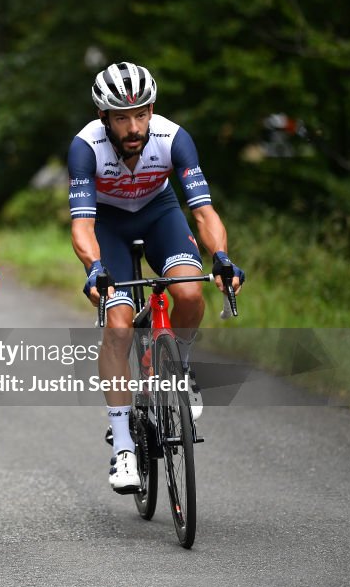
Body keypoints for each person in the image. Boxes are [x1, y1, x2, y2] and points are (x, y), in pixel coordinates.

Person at [68, 61, 245, 493]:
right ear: (103, 117)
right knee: (118, 326)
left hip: (158, 214)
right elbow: (82, 226)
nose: (134, 126)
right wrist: (95, 269)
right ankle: (124, 446)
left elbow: (203, 211)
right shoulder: (85, 148)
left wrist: (221, 257)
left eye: (142, 114)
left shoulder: (173, 138)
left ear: (152, 111)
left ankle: (180, 367)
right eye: (122, 117)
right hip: (107, 223)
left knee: (188, 292)